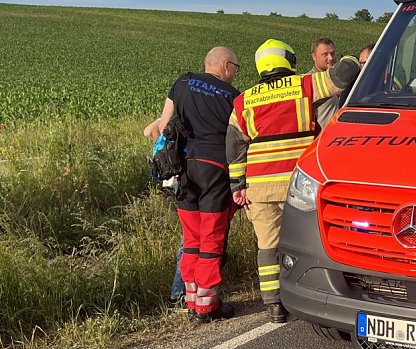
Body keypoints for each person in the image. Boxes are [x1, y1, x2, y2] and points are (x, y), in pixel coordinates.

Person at [226, 39, 360, 323]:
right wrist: (349, 56)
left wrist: (237, 186)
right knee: (310, 240)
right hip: (298, 184)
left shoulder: (243, 101)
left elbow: (235, 145)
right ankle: (316, 295)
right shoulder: (304, 85)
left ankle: (274, 305)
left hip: (260, 188)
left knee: (267, 246)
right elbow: (344, 74)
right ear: (287, 59)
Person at [159, 46, 241, 323]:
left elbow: (164, 125)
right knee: (212, 239)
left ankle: (191, 300)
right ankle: (207, 307)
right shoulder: (233, 96)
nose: (235, 74)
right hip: (216, 169)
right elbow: (240, 138)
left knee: (192, 238)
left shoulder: (182, 82)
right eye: (236, 68)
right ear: (226, 66)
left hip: (182, 170)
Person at [143, 117, 185, 309]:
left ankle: (182, 292)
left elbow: (150, 131)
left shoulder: (171, 121)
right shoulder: (184, 117)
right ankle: (180, 293)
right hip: (188, 175)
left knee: (188, 239)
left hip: (176, 179)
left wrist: (164, 119)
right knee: (191, 240)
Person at [309, 38, 339, 129]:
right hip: (321, 139)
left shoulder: (340, 78)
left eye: (332, 53)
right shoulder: (309, 82)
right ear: (314, 56)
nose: (330, 58)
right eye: (325, 54)